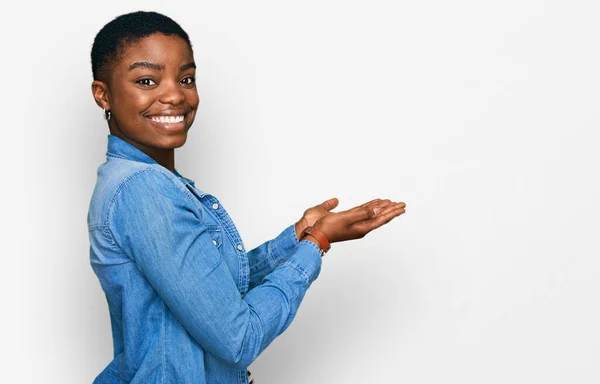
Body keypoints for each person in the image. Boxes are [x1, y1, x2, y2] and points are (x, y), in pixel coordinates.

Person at [87, 10, 406, 384]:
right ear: (102, 94)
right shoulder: (144, 189)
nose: (175, 94)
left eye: (186, 78)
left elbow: (212, 293)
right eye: (147, 80)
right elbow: (238, 338)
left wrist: (298, 237)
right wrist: (318, 244)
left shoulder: (145, 184)